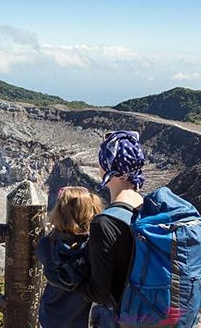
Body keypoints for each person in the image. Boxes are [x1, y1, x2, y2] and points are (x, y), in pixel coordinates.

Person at [84, 130, 145, 326]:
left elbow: (100, 293)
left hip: (124, 318)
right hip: (153, 313)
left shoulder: (104, 223)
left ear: (111, 169)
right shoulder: (152, 210)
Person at [37, 186, 103, 328]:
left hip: (52, 317)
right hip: (86, 320)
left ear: (58, 212)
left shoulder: (46, 246)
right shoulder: (96, 248)